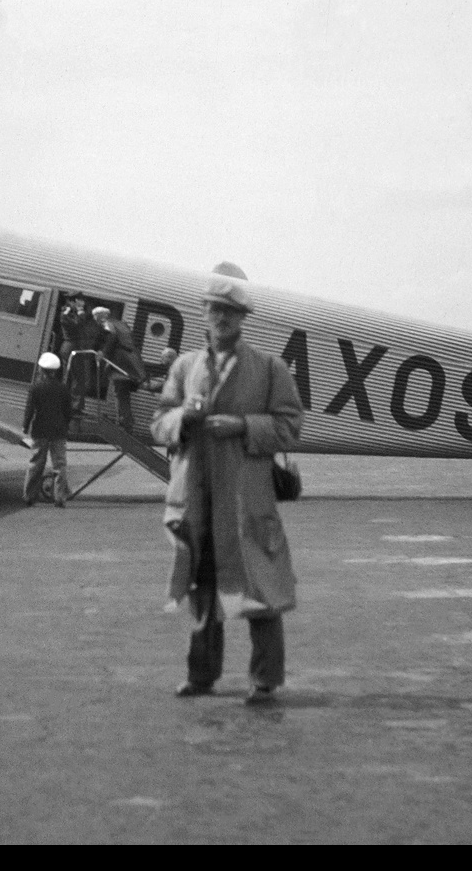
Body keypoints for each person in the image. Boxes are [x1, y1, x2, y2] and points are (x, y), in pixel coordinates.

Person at [150, 268, 303, 705]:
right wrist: (183, 418)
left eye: (230, 311)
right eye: (214, 309)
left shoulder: (269, 368)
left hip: (245, 502)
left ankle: (265, 681)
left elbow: (290, 425)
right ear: (203, 313)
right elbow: (158, 423)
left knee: (262, 594)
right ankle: (201, 677)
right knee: (200, 590)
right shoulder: (183, 368)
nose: (221, 318)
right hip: (195, 501)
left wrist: (242, 425)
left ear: (242, 318)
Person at [22, 351, 74, 507]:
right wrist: (64, 425)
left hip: (40, 431)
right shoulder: (64, 389)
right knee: (59, 465)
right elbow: (68, 412)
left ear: (41, 369)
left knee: (36, 463)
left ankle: (29, 496)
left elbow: (30, 410)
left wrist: (25, 426)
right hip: (59, 432)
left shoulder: (35, 388)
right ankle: (59, 498)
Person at [93, 305, 146, 430]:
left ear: (102, 316)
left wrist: (103, 353)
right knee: (123, 394)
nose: (96, 320)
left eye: (96, 317)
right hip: (131, 363)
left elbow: (112, 338)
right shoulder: (122, 324)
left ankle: (125, 423)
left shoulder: (108, 324)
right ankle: (126, 421)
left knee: (120, 393)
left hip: (120, 364)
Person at [58, 295, 99, 412]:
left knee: (71, 377)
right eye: (79, 301)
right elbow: (78, 324)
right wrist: (80, 310)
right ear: (73, 301)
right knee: (78, 378)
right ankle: (74, 407)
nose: (82, 303)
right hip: (71, 347)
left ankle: (68, 404)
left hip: (71, 347)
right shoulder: (66, 313)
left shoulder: (70, 312)